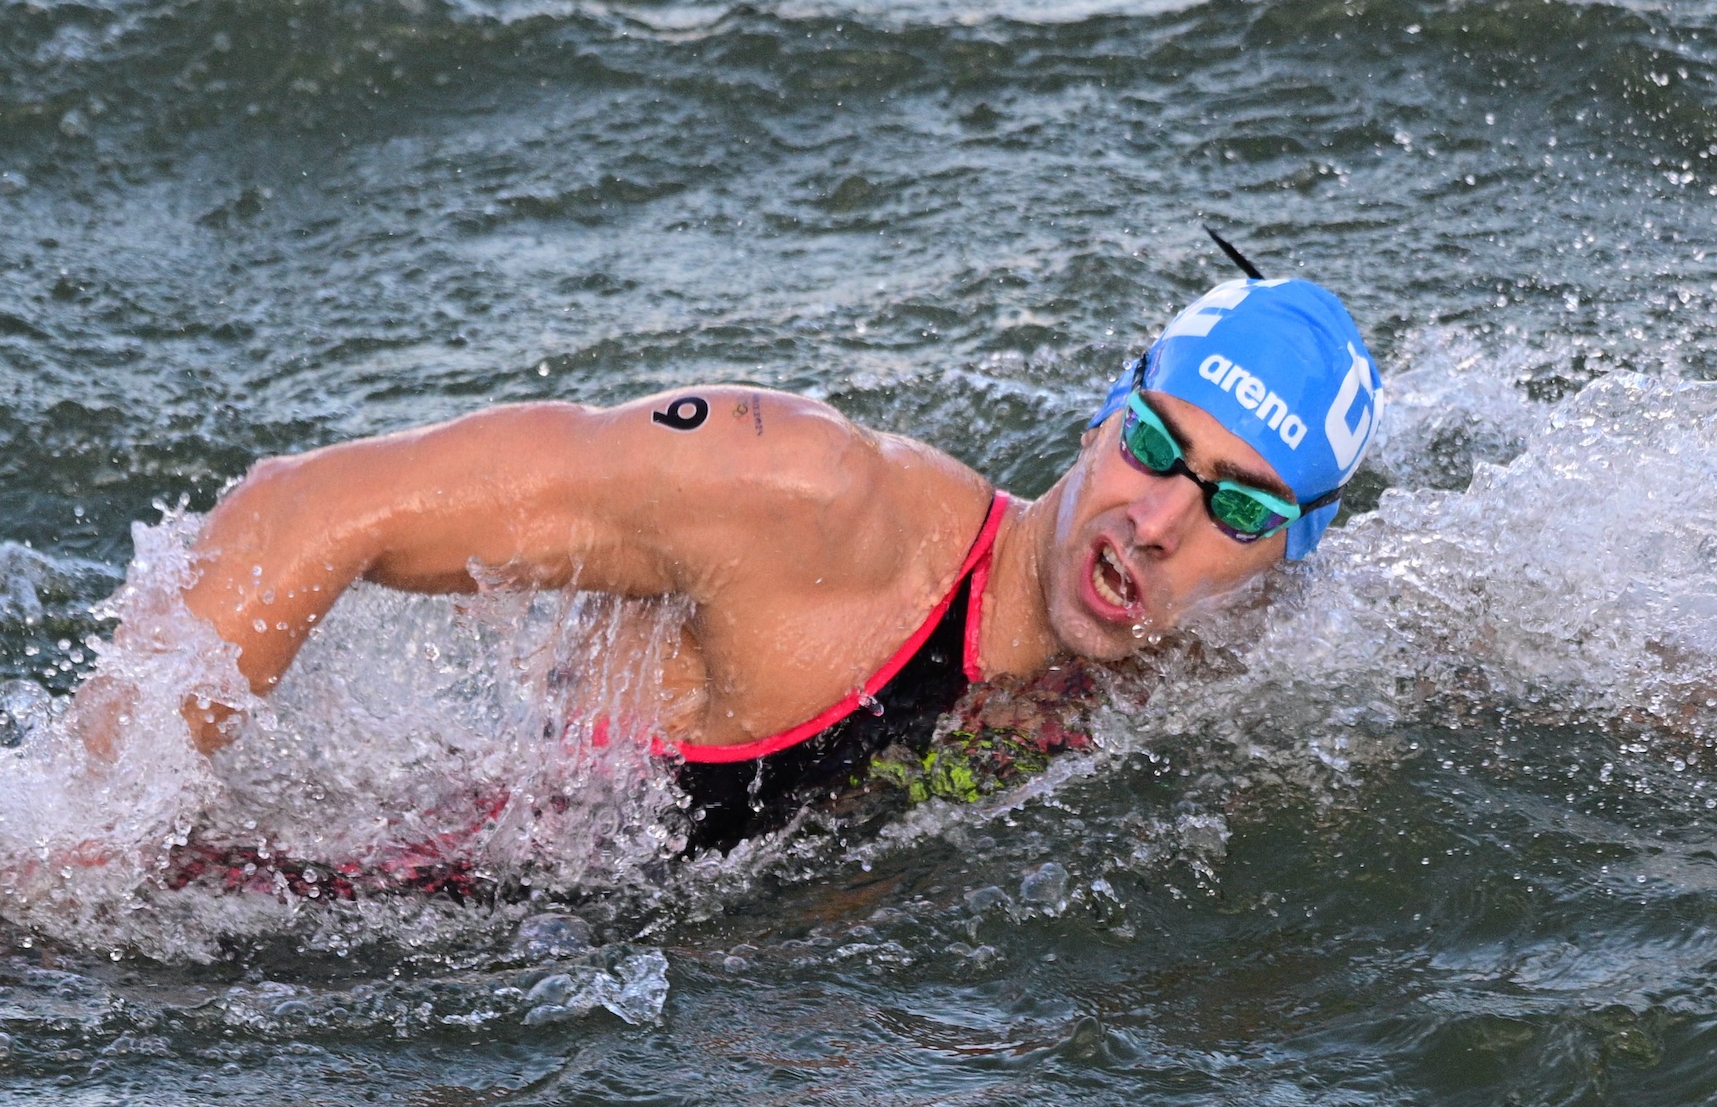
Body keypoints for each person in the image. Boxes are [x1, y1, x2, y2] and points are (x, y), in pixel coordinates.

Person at [141, 253, 1383, 858]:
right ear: (1104, 409)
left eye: (1237, 511)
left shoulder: (1222, 667)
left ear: (1287, 558)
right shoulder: (809, 501)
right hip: (342, 930)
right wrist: (85, 843)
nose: (1155, 520)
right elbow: (299, 508)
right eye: (1155, 443)